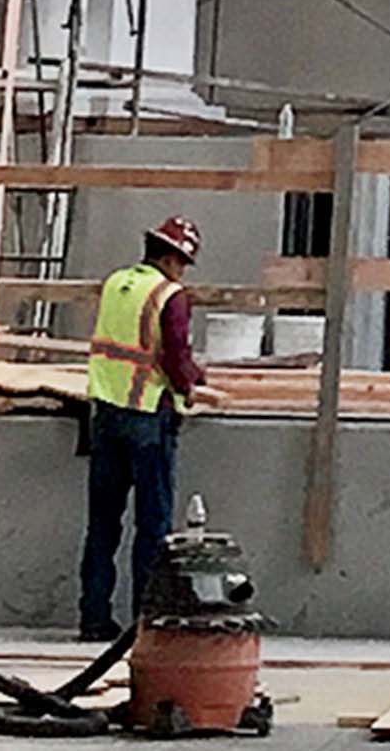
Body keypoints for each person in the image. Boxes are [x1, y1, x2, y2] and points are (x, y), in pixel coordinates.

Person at [80, 214, 229, 641]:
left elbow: (124, 344)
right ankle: (145, 626)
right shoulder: (170, 295)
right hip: (148, 416)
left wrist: (190, 374)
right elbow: (173, 358)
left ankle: (93, 618)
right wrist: (192, 387)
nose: (182, 270)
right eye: (182, 262)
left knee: (102, 524)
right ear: (170, 257)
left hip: (106, 412)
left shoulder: (115, 283)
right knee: (153, 526)